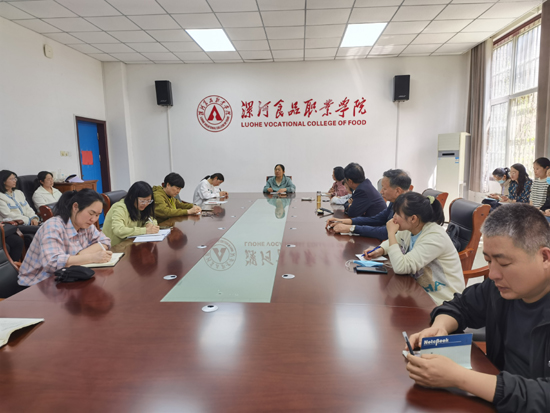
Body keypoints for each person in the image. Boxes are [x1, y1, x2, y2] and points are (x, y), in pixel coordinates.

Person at [405, 203, 550, 412]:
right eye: (489, 261)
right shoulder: (500, 288)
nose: (493, 274)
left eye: (504, 264)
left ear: (545, 257)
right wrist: (440, 327)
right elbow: (461, 305)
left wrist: (459, 377)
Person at [365, 192, 464, 305]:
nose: (394, 217)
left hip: (442, 301)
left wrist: (390, 233)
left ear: (413, 218)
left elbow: (401, 267)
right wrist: (381, 249)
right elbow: (396, 241)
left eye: (397, 214)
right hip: (418, 293)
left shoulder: (435, 237)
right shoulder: (411, 229)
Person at [18, 189, 112, 286]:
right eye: (91, 213)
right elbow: (52, 263)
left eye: (97, 215)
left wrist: (80, 255)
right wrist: (91, 257)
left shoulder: (86, 225)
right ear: (75, 207)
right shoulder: (53, 226)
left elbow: (105, 241)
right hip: (38, 283)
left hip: (66, 277)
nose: (94, 219)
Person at [326, 169, 411, 239]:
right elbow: (376, 219)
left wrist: (351, 228)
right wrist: (344, 221)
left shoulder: (408, 208)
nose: (381, 192)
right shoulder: (395, 202)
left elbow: (386, 232)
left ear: (398, 191)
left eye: (384, 188)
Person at [103, 181, 159, 246]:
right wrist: (145, 230)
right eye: (142, 201)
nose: (146, 204)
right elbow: (118, 230)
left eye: (148, 201)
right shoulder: (120, 208)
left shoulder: (140, 206)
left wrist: (149, 224)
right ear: (132, 197)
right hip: (115, 247)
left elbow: (151, 219)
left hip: (131, 243)